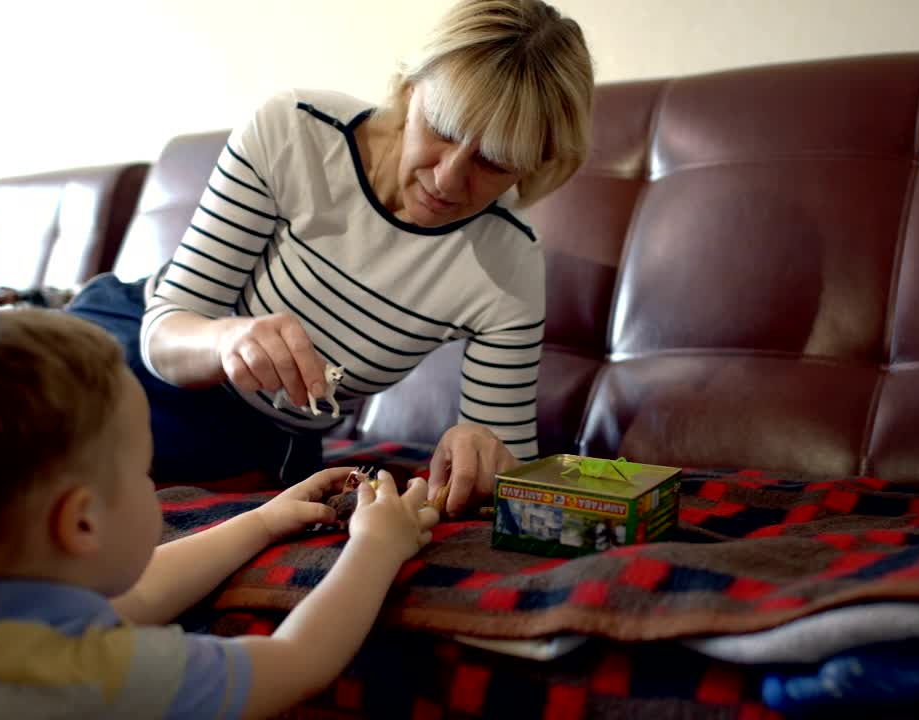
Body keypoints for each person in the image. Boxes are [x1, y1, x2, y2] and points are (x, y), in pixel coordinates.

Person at [66, 0, 595, 516]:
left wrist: (484, 453)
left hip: (261, 439)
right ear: (410, 92)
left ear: (534, 165)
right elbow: (162, 333)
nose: (448, 178)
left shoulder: (510, 264)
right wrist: (227, 338)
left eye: (493, 160)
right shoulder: (295, 132)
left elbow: (510, 470)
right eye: (443, 128)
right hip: (134, 347)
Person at [0, 309, 440, 719]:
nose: (153, 486)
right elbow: (298, 660)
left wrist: (265, 519)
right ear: (81, 524)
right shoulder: (95, 679)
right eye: (143, 472)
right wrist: (376, 546)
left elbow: (132, 598)